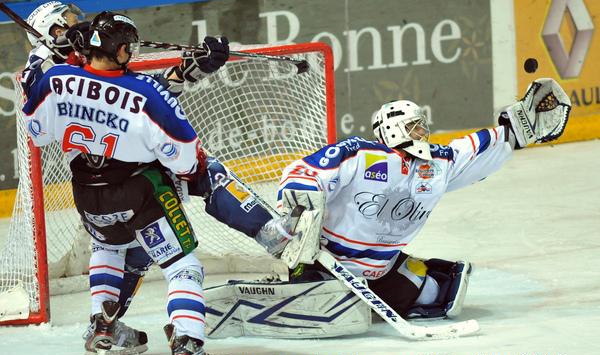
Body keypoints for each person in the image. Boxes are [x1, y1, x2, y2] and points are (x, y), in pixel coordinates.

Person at [20, 9, 316, 355]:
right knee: (184, 259)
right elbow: (181, 149)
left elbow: (40, 131)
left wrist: (36, 65)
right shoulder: (143, 91)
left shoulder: (55, 79)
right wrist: (192, 176)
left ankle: (101, 327)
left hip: (88, 197)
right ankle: (191, 347)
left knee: (113, 251)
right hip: (141, 194)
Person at [202, 81, 572, 338]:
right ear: (394, 129)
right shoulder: (361, 154)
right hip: (323, 262)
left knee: (438, 294)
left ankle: (373, 292)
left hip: (379, 270)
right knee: (331, 302)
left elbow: (474, 149)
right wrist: (302, 198)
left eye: (423, 125)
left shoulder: (438, 165)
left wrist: (516, 130)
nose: (423, 132)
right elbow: (303, 172)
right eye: (414, 125)